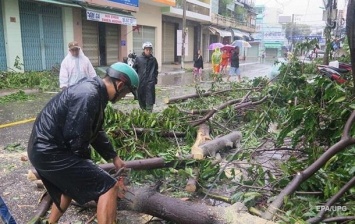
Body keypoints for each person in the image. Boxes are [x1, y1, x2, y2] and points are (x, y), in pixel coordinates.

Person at [27, 62, 139, 224]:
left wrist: (113, 157)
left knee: (69, 187)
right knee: (109, 187)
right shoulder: (89, 95)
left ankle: (51, 222)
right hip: (50, 152)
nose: (123, 97)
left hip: (42, 150)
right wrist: (93, 174)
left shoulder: (94, 92)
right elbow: (77, 141)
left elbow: (96, 131)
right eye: (126, 93)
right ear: (120, 84)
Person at [133, 42, 159, 112]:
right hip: (141, 82)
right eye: (147, 49)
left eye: (150, 50)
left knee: (150, 99)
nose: (148, 51)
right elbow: (134, 70)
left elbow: (156, 70)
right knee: (141, 99)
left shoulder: (153, 60)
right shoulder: (138, 59)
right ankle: (143, 111)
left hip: (150, 83)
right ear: (144, 50)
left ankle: (149, 113)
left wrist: (154, 79)